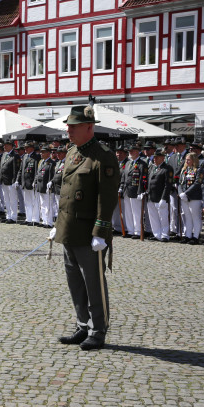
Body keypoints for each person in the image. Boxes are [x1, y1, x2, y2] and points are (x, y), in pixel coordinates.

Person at [50, 105, 120, 351]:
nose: (68, 130)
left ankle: (98, 330)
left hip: (89, 232)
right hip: (69, 229)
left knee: (93, 282)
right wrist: (58, 224)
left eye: (73, 126)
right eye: (68, 125)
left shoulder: (103, 155)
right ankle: (83, 325)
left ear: (89, 127)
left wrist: (101, 231)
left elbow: (107, 196)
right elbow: (66, 191)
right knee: (75, 281)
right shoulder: (72, 152)